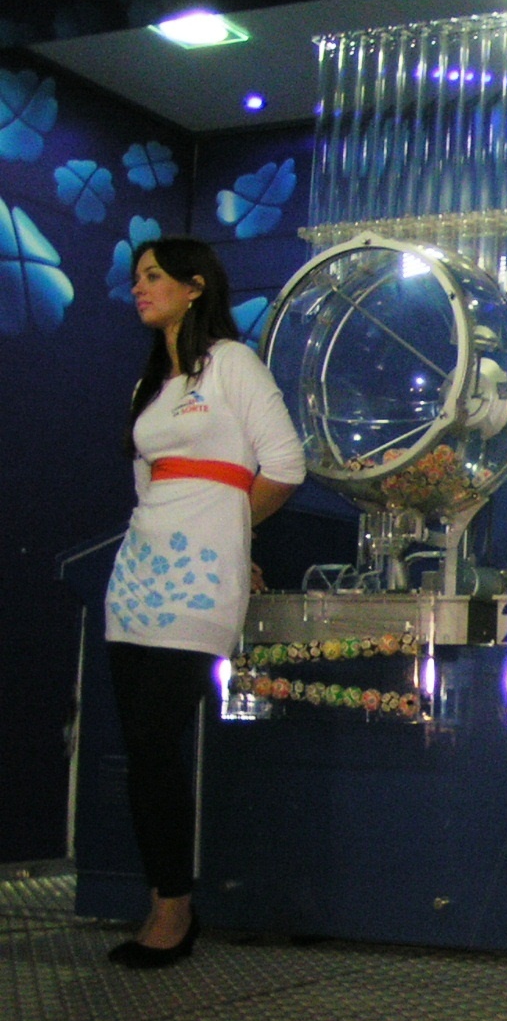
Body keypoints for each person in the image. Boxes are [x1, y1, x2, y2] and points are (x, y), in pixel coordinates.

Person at [103, 237, 304, 969]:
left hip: (197, 583)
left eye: (153, 275)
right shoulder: (149, 385)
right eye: (136, 277)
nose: (140, 287)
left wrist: (230, 534)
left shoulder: (233, 364)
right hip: (135, 578)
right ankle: (165, 898)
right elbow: (145, 484)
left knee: (160, 743)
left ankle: (174, 910)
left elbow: (285, 464)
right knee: (142, 751)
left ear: (194, 286)